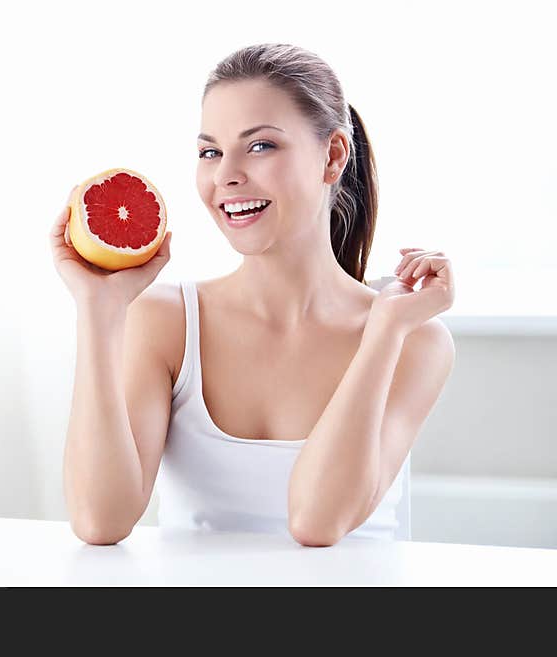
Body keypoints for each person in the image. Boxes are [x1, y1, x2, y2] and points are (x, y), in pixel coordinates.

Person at [50, 43, 455, 547]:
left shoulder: (414, 339)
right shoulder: (166, 322)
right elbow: (99, 521)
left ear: (332, 156)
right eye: (210, 152)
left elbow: (316, 522)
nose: (226, 176)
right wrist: (97, 310)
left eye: (260, 146)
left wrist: (385, 331)